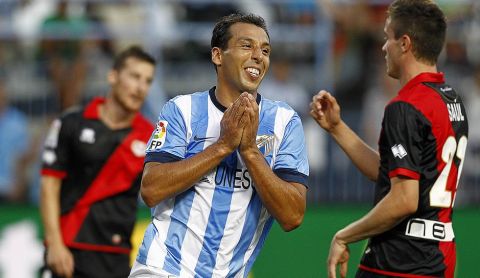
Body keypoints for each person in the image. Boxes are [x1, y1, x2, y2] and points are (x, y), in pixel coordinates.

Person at [130, 13, 309, 278]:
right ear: (218, 55)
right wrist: (222, 146)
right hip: (163, 268)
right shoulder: (182, 109)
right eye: (247, 46)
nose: (258, 56)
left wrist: (249, 151)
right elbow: (151, 189)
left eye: (265, 50)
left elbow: (293, 215)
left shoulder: (284, 121)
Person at [310, 1, 468, 277]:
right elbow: (390, 172)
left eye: (388, 37)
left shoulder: (406, 106)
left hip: (400, 260)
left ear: (405, 43)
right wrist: (336, 127)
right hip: (440, 256)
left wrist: (345, 235)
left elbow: (405, 199)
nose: (384, 47)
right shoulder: (450, 100)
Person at [40, 46, 156, 278]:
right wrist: (54, 243)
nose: (140, 87)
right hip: (68, 252)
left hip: (116, 257)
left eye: (148, 81)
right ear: (113, 76)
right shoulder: (72, 123)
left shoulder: (151, 136)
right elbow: (49, 185)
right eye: (134, 76)